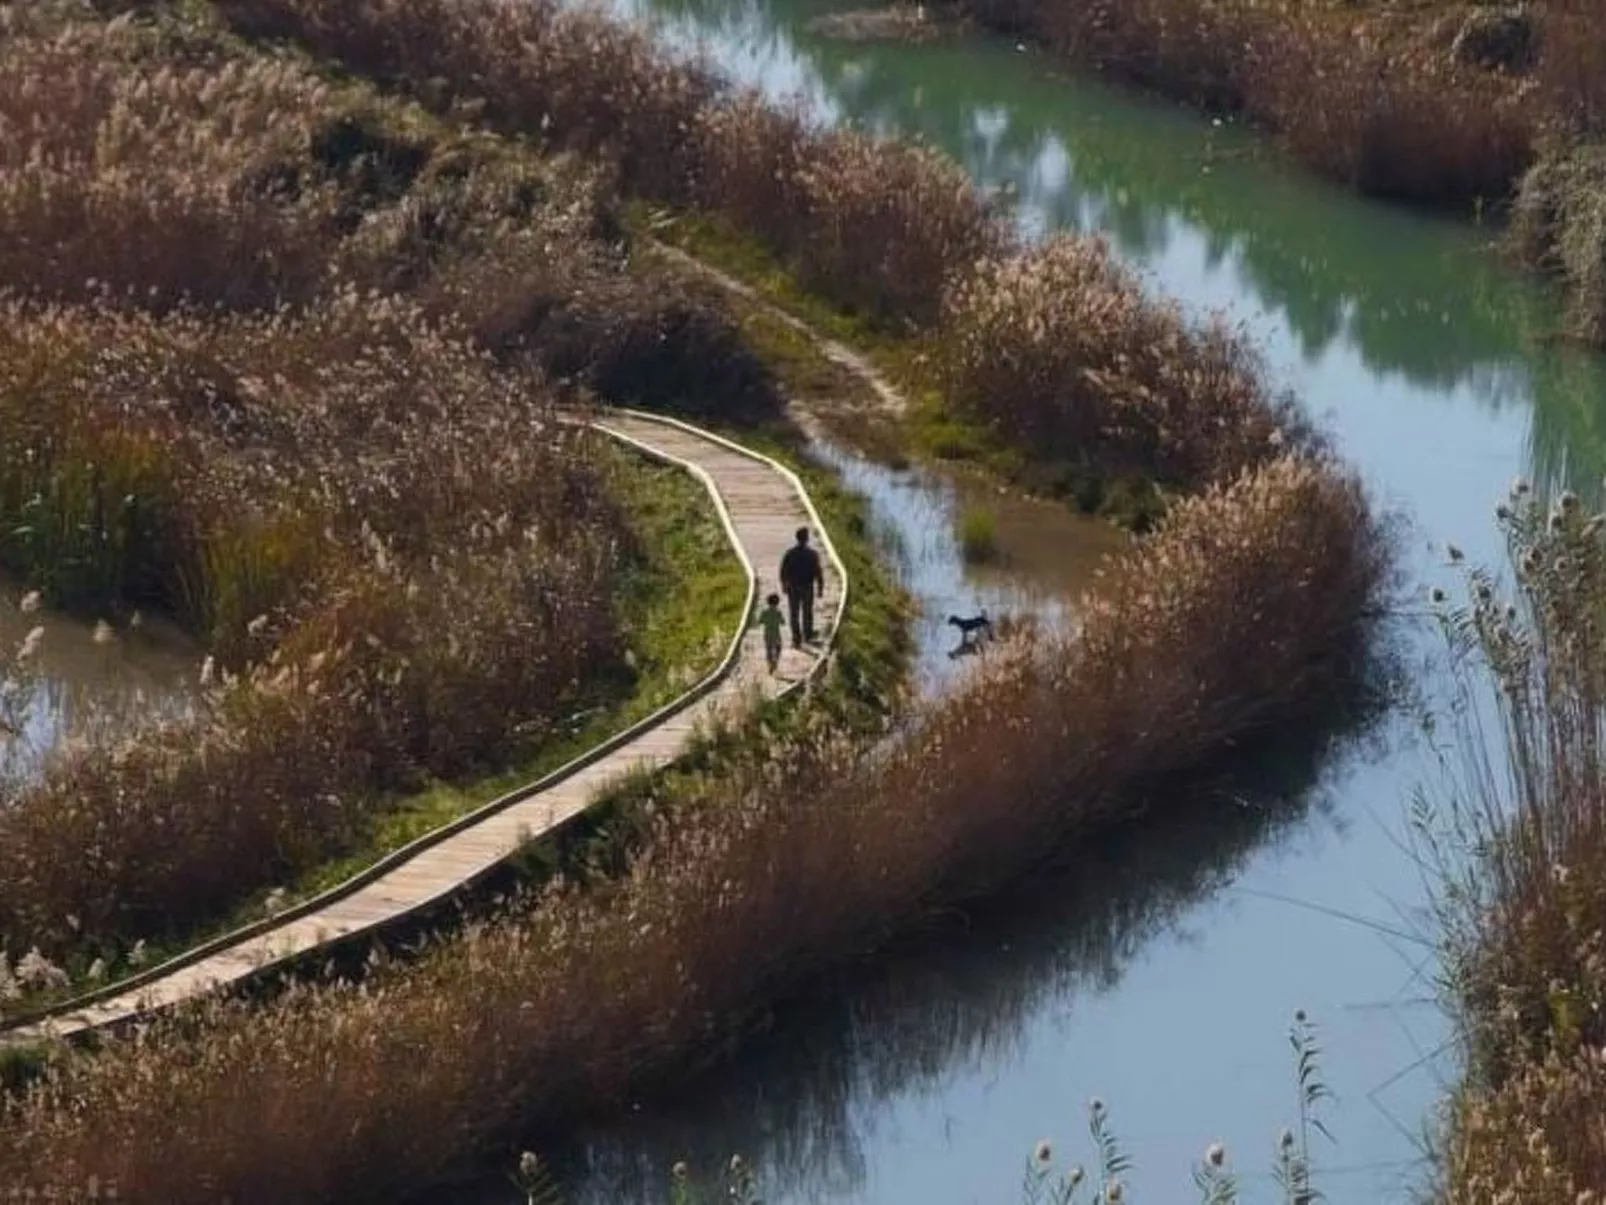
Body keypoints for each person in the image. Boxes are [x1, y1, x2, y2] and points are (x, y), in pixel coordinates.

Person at [779, 526, 824, 648]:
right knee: (807, 612)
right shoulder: (812, 554)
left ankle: (796, 637)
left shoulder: (790, 554)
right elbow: (818, 572)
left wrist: (784, 584)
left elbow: (783, 571)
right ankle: (807, 634)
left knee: (794, 613)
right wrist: (820, 587)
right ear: (807, 539)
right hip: (807, 587)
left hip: (793, 588)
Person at [757, 592, 785, 675]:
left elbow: (760, 621)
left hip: (767, 634)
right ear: (777, 603)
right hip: (776, 634)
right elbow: (783, 622)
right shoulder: (778, 612)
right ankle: (775, 661)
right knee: (778, 648)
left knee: (768, 649)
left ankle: (770, 664)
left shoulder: (764, 612)